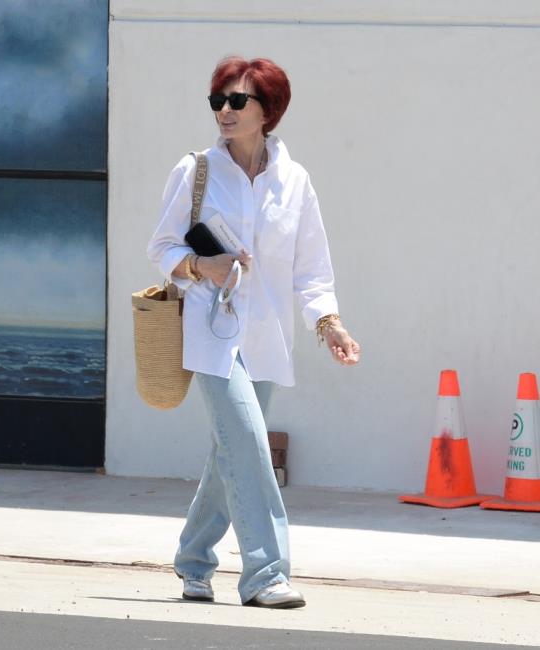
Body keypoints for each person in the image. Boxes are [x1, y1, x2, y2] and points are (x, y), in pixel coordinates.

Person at [147, 56, 360, 609]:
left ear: (268, 110)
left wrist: (329, 323)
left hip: (267, 337)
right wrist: (203, 267)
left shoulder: (295, 181)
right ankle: (265, 574)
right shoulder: (194, 170)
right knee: (248, 443)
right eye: (218, 100)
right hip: (209, 334)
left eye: (237, 101)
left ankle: (193, 560)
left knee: (229, 453)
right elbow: (163, 248)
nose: (224, 110)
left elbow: (311, 267)